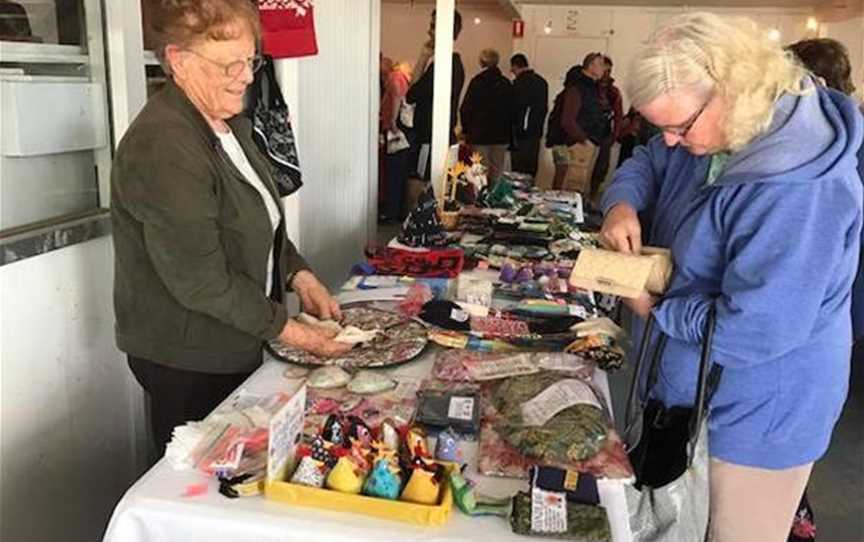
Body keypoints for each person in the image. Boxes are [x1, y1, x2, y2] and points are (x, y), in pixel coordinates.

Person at [600, 12, 862, 542]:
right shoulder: (719, 126)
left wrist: (659, 304)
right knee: (681, 518)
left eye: (679, 127)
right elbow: (650, 160)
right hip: (694, 384)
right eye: (662, 126)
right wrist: (621, 202)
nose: (670, 141)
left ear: (731, 89)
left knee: (732, 530)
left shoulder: (797, 188)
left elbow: (757, 329)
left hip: (758, 410)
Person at [112, 0, 350, 459]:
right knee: (200, 478)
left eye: (251, 60)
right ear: (179, 62)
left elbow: (259, 219)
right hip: (187, 356)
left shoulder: (231, 125)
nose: (245, 75)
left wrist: (299, 275)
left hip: (234, 337)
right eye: (230, 63)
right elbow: (202, 283)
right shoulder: (164, 144)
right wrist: (292, 332)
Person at [786, 36, 863, 542]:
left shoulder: (826, 148)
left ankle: (793, 519)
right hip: (834, 312)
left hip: (822, 314)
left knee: (792, 433)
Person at [405, 9, 465, 181]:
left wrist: (423, 57)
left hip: (431, 141)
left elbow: (411, 94)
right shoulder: (454, 64)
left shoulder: (443, 66)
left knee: (422, 191)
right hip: (441, 138)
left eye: (433, 26)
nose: (429, 31)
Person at [546, 53, 610, 196]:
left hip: (578, 143)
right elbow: (568, 120)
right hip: (573, 144)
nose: (604, 68)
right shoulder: (577, 89)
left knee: (573, 186)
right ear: (590, 66)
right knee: (568, 187)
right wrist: (584, 140)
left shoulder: (591, 88)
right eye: (600, 64)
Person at [460, 48, 513, 180]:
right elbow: (513, 109)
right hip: (501, 135)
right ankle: (493, 198)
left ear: (482, 62)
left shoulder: (476, 82)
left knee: (479, 173)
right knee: (497, 172)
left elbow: (465, 108)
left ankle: (480, 199)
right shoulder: (506, 83)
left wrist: (466, 130)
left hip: (479, 135)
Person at [380, 61, 412, 222]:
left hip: (396, 132)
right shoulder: (405, 80)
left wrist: (392, 124)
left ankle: (391, 212)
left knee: (393, 172)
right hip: (404, 132)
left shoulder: (395, 78)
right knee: (400, 172)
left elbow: (395, 99)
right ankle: (399, 211)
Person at [509, 53, 548, 179]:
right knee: (531, 167)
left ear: (515, 66)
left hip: (520, 133)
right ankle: (531, 193)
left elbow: (514, 109)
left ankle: (519, 196)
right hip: (536, 132)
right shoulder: (542, 82)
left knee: (518, 170)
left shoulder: (518, 84)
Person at [593, 55, 623, 196]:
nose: (605, 74)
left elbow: (618, 115)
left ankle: (593, 193)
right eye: (603, 70)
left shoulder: (614, 92)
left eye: (608, 71)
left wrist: (614, 135)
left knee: (601, 168)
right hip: (587, 134)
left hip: (605, 134)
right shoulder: (589, 87)